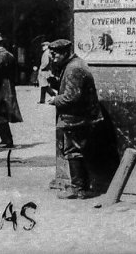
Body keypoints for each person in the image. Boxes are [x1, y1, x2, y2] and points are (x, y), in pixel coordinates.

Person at [47, 39, 104, 199]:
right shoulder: (75, 64)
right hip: (79, 117)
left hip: (77, 119)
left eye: (55, 53)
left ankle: (78, 189)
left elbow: (72, 97)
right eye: (51, 53)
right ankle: (81, 187)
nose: (52, 57)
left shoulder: (74, 68)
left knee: (73, 152)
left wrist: (55, 100)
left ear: (66, 52)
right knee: (77, 151)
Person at [0, 32, 22, 149]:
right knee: (3, 112)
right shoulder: (10, 55)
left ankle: (6, 140)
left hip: (0, 88)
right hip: (9, 86)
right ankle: (7, 139)